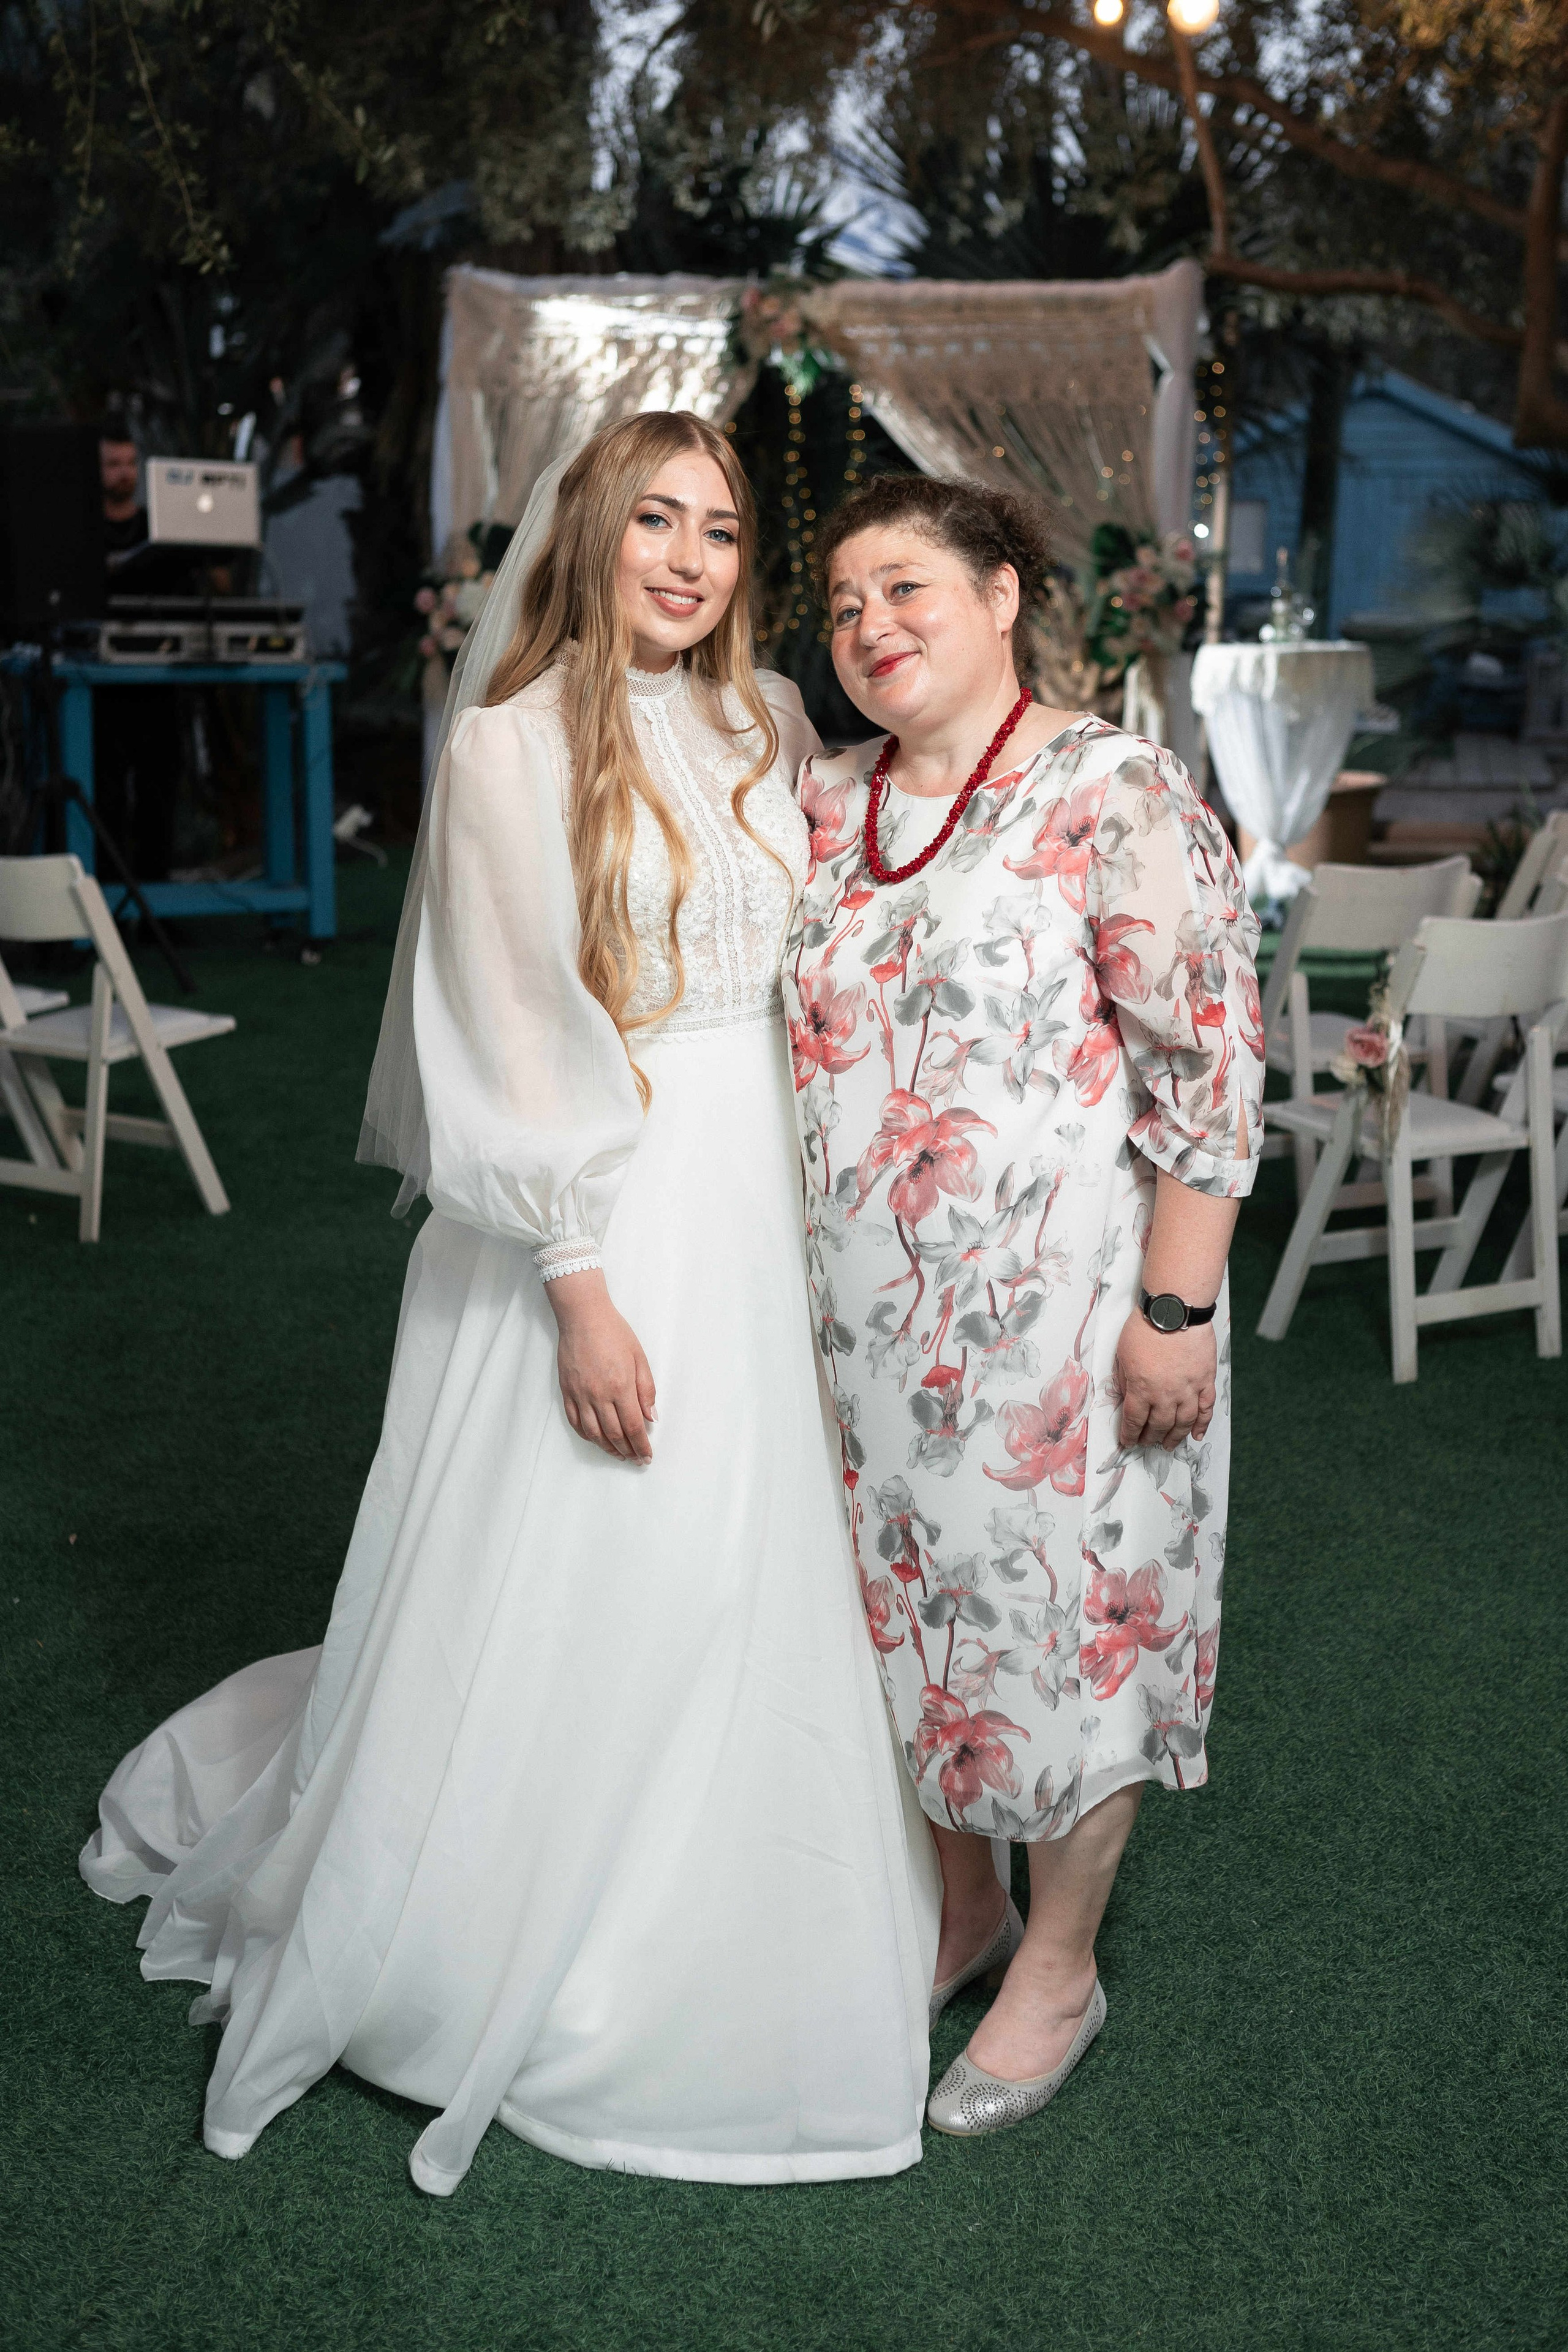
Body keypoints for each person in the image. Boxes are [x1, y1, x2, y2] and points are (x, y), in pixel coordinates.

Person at [80, 412, 939, 2193]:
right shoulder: (504, 746)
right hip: (611, 1198)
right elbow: (504, 1028)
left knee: (747, 1558)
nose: (691, 557)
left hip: (768, 1186)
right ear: (587, 538)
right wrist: (577, 1281)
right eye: (654, 520)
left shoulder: (770, 719)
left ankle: (745, 1896)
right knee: (605, 1536)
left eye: (717, 526)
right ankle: (503, 1911)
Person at [783, 473, 1263, 2138]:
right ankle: (965, 1905)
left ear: (1003, 594)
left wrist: (1178, 1315)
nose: (870, 628)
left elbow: (1209, 1059)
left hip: (1068, 1337)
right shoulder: (827, 803)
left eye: (906, 587)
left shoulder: (1108, 787)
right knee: (914, 1633)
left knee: (1070, 1642)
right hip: (864, 1342)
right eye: (843, 606)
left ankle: (1060, 1958)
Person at [94, 418, 180, 880]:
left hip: (159, 681)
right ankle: (105, 902)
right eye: (113, 464)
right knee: (104, 793)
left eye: (129, 464)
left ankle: (156, 908)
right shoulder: (82, 532)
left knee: (158, 791)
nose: (123, 473)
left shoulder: (159, 529)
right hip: (100, 687)